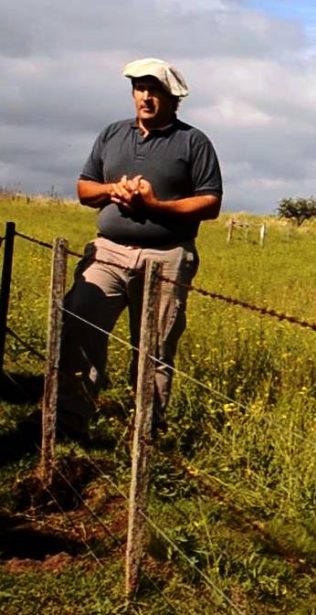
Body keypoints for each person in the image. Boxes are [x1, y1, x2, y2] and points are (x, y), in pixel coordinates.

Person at [57, 58, 223, 441]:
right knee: (79, 326)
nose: (145, 97)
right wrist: (111, 190)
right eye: (139, 88)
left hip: (165, 256)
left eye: (154, 90)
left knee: (154, 348)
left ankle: (145, 436)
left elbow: (210, 203)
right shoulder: (112, 133)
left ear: (173, 98)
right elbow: (84, 188)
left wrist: (155, 206)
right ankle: (67, 426)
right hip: (108, 252)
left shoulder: (193, 142)